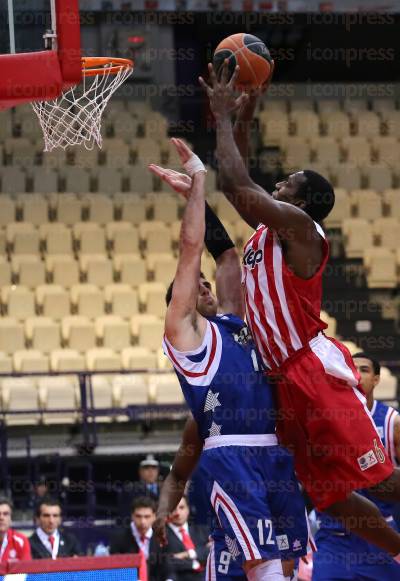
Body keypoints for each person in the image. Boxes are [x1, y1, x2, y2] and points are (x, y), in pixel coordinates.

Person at [199, 60, 400, 558]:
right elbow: (241, 176)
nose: (279, 183)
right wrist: (245, 116)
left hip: (311, 369)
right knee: (328, 495)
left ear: (304, 202)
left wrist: (223, 117)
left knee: (379, 479)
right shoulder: (271, 231)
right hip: (283, 379)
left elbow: (236, 185)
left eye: (288, 182)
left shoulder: (302, 232)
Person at [149, 138, 309, 580]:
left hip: (275, 454)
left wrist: (195, 197)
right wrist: (199, 183)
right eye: (194, 286)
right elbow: (191, 247)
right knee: (263, 567)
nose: (203, 285)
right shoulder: (185, 334)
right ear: (177, 304)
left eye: (206, 283)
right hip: (232, 457)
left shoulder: (233, 321)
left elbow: (227, 254)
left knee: (290, 566)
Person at [312, 352, 400, 580]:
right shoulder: (325, 417)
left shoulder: (392, 421)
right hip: (335, 536)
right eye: (354, 368)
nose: (358, 374)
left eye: (365, 370)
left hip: (381, 536)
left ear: (377, 379)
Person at [161, 496, 209, 581]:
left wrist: (188, 554)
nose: (178, 512)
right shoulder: (161, 535)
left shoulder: (203, 531)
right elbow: (165, 561)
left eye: (181, 507)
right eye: (173, 508)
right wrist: (195, 564)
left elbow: (213, 551)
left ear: (188, 510)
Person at [110, 496, 159, 578]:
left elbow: (167, 568)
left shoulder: (161, 537)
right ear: (132, 516)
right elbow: (115, 570)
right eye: (138, 516)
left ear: (154, 517)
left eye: (147, 517)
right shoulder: (118, 538)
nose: (143, 522)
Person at [0, 497, 31, 563]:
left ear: (11, 518)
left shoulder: (21, 541)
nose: (1, 517)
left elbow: (26, 569)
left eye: (5, 514)